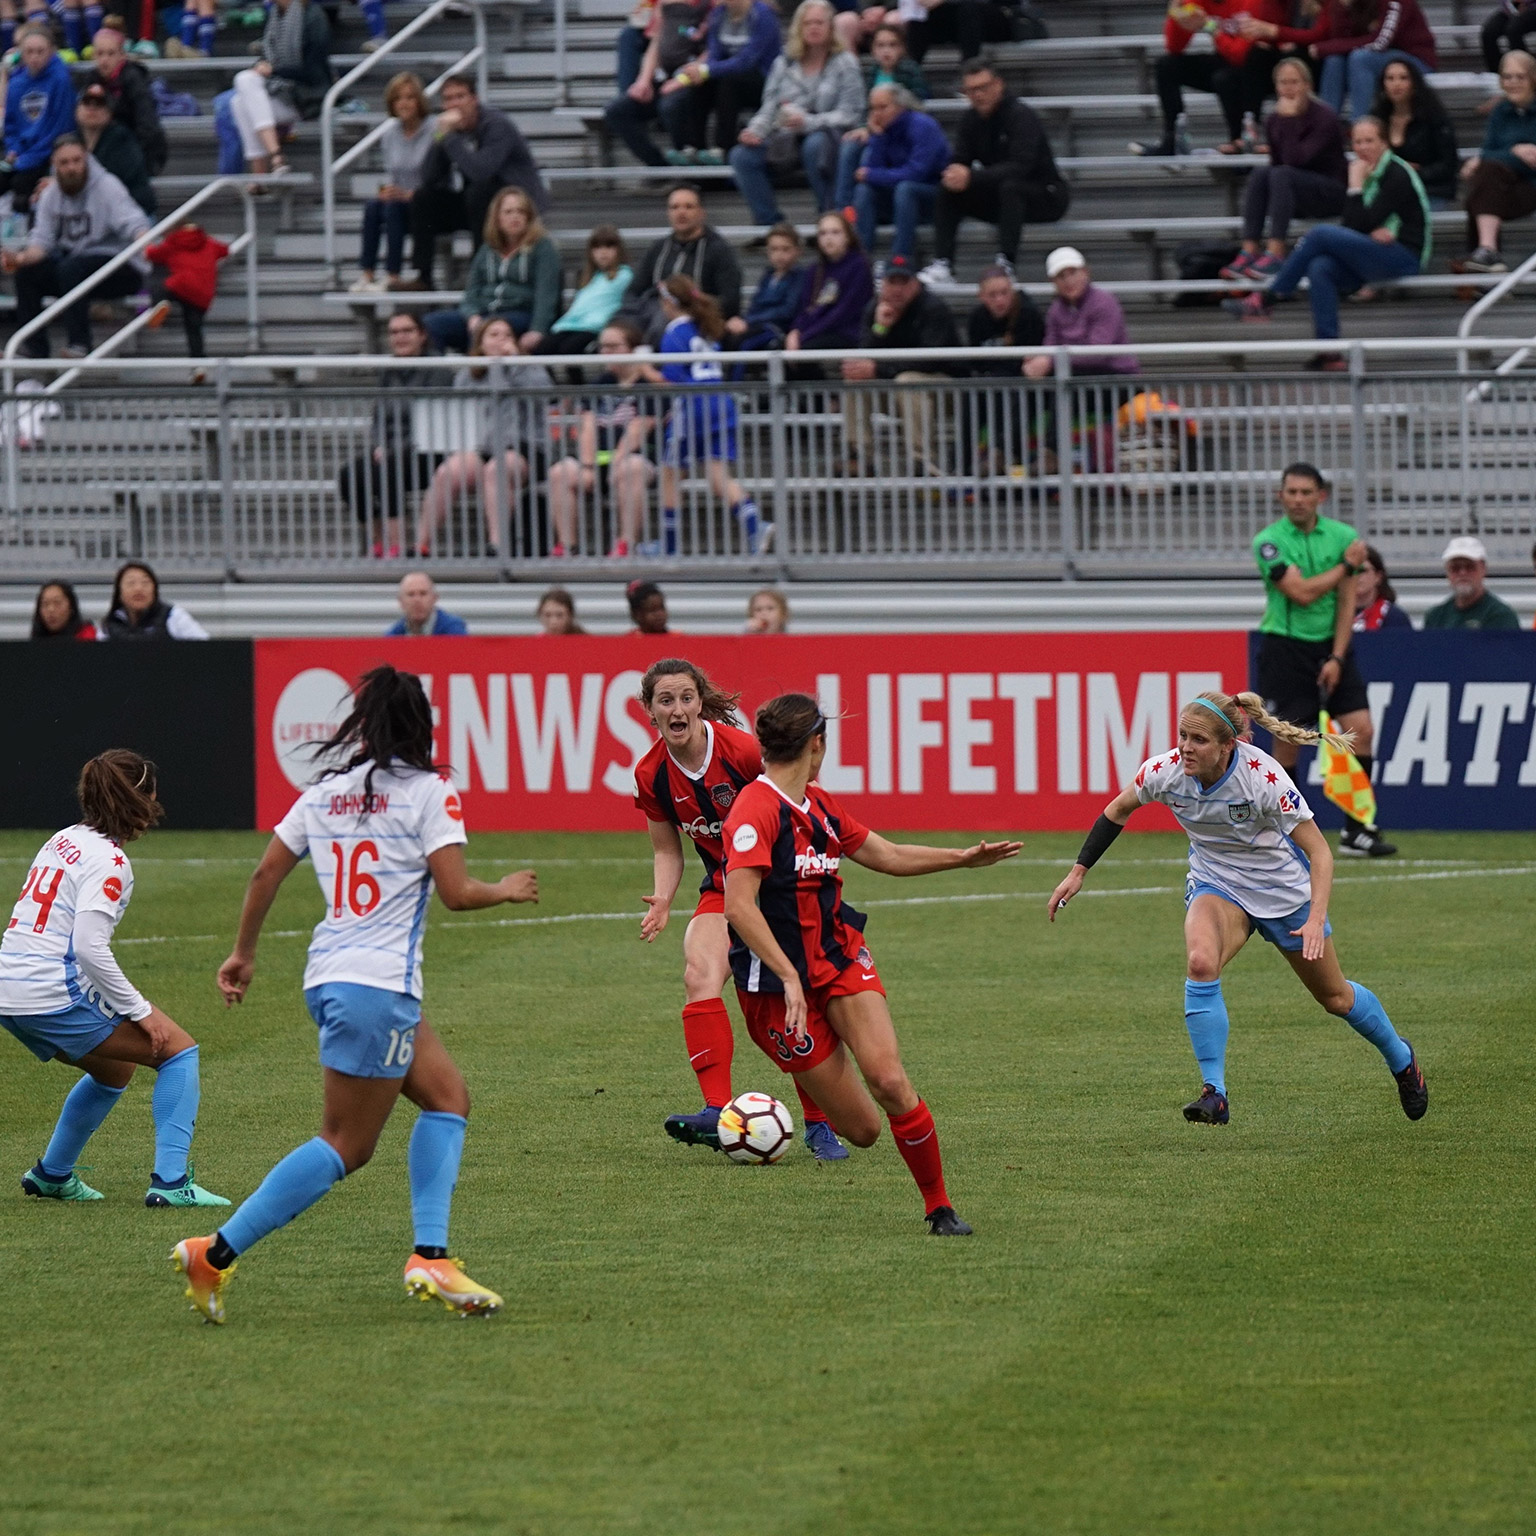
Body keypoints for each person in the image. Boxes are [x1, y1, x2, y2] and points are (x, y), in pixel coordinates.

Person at [180, 666, 540, 1324]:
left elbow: (265, 873)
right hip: (377, 987)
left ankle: (431, 1255)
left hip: (331, 976)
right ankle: (215, 1252)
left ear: (364, 725)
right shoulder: (430, 791)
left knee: (448, 1098)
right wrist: (506, 889)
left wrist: (244, 954)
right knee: (346, 1144)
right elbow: (456, 893)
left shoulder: (325, 792)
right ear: (422, 725)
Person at [1046, 690, 1428, 1127]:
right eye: (1182, 736)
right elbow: (1117, 810)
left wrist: (1316, 918)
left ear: (1228, 745)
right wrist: (1079, 871)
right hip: (1218, 885)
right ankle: (1215, 1093)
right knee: (1200, 962)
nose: (1186, 748)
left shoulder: (1263, 777)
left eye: (1199, 740)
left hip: (1283, 893)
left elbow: (1320, 852)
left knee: (1335, 998)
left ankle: (1401, 1059)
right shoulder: (1165, 771)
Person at [723, 691, 1021, 1232]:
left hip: (839, 958)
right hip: (773, 990)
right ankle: (815, 1077)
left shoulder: (820, 804)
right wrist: (788, 976)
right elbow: (738, 905)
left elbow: (884, 854)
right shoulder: (755, 808)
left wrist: (962, 858)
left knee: (889, 1080)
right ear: (817, 744)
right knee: (863, 1130)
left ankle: (939, 1208)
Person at [0, 750, 229, 1208]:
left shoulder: (64, 838)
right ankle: (171, 1183)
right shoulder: (110, 860)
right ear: (140, 799)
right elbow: (88, 946)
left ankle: (52, 1175)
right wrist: (142, 1013)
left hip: (10, 988)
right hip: (50, 990)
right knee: (179, 1052)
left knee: (114, 1070)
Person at [633, 661, 845, 1158]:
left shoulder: (742, 751)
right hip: (724, 888)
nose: (677, 709)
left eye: (686, 698)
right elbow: (666, 849)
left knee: (788, 999)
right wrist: (663, 899)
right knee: (699, 974)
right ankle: (715, 1110)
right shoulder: (650, 774)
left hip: (782, 886)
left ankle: (818, 1123)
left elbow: (797, 797)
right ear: (650, 710)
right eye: (666, 700)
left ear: (700, 704)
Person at [1247, 463, 1395, 856]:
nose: (1298, 499)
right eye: (1291, 492)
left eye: (1306, 492)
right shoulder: (1270, 541)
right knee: (1288, 741)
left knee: (1361, 730)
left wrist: (1337, 657)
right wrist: (1345, 566)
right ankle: (1288, 832)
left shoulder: (1342, 536)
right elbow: (1300, 593)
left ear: (1321, 496)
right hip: (1285, 646)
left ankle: (1357, 830)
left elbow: (1347, 602)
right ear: (1280, 495)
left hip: (1331, 646)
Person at [1232, 116, 1429, 367]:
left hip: (1404, 255)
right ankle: (1329, 352)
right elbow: (1355, 224)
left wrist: (1355, 186)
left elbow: (1357, 225)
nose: (1363, 148)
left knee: (1320, 234)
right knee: (1320, 267)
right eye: (1357, 142)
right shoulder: (1367, 170)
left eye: (1369, 141)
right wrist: (1367, 219)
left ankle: (1269, 298)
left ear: (1384, 143)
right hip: (1376, 250)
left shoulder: (1395, 173)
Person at [650, 274, 771, 557]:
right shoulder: (703, 328)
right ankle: (755, 525)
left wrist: (643, 368)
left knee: (669, 473)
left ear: (669, 303)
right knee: (717, 475)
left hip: (693, 406)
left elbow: (672, 380)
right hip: (721, 402)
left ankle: (669, 546)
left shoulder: (674, 332)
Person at [919, 59, 1068, 284]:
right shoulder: (970, 119)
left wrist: (972, 177)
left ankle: (1006, 263)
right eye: (971, 90)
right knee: (948, 188)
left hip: (1045, 195)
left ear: (998, 84)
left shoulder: (1021, 115)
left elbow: (1022, 166)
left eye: (983, 87)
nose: (978, 95)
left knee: (1011, 187)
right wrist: (955, 173)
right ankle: (943, 263)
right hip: (1000, 196)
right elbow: (961, 159)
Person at [415, 317, 554, 558]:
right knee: (448, 472)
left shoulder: (528, 367)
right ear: (481, 343)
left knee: (497, 469)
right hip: (483, 445)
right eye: (494, 335)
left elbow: (546, 394)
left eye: (507, 335)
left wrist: (514, 364)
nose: (502, 340)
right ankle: (421, 545)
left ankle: (498, 545)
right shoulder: (468, 374)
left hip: (526, 447)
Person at [730, 0, 865, 226]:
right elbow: (769, 107)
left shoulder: (846, 63)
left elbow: (851, 113)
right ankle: (771, 225)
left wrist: (808, 122)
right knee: (741, 156)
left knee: (814, 145)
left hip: (830, 135)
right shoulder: (783, 62)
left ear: (830, 28)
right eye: (807, 23)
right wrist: (754, 131)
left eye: (819, 23)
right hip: (785, 136)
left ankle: (828, 218)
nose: (813, 28)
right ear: (798, 28)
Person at [409, 74, 549, 290]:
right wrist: (439, 137)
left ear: (474, 99)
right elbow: (428, 177)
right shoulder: (450, 132)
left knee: (480, 191)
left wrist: (449, 139)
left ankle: (480, 275)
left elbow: (481, 172)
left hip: (517, 204)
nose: (454, 104)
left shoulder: (496, 125)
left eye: (460, 97)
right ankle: (423, 278)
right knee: (423, 198)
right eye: (448, 99)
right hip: (476, 207)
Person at [1222, 58, 1347, 282]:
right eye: (1283, 82)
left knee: (1282, 174)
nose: (1288, 88)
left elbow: (1296, 159)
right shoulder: (1273, 119)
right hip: (1294, 192)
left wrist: (1289, 121)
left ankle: (1276, 252)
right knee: (1261, 173)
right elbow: (1277, 162)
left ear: (1308, 85)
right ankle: (1249, 249)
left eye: (1294, 82)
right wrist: (1284, 120)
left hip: (1330, 191)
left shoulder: (1324, 117)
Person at [545, 318, 662, 558]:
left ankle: (626, 545)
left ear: (633, 349)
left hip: (638, 460)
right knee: (560, 472)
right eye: (603, 346)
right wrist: (588, 466)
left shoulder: (649, 385)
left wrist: (617, 462)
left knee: (630, 469)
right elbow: (587, 426)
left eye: (613, 346)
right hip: (598, 461)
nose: (605, 352)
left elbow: (639, 429)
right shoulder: (599, 384)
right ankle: (567, 547)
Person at [840, 252, 964, 475]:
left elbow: (930, 360)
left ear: (916, 283)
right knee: (855, 381)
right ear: (883, 284)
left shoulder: (933, 308)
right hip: (896, 386)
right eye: (892, 282)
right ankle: (859, 456)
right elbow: (865, 356)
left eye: (904, 282)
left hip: (946, 389)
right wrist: (880, 328)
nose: (897, 289)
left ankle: (922, 460)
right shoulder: (874, 308)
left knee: (908, 381)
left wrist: (878, 369)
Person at [337, 311, 437, 558]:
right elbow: (379, 417)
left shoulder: (437, 370)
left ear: (422, 335)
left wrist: (395, 449)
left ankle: (397, 544)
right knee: (350, 474)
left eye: (407, 331)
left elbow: (432, 420)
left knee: (389, 467)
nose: (400, 337)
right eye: (394, 332)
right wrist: (379, 444)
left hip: (426, 450)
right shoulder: (388, 371)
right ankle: (378, 541)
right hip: (390, 450)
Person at [1131, 0, 1285, 159]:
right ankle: (1172, 140)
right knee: (1166, 66)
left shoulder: (1252, 2)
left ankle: (1240, 141)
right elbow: (1174, 47)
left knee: (1224, 78)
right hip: (1227, 58)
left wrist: (1210, 26)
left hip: (1261, 67)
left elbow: (1242, 56)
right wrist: (1176, 15)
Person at [423, 185, 561, 356]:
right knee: (431, 324)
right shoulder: (487, 249)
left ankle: (476, 371)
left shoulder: (543, 248)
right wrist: (472, 315)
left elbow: (546, 295)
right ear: (497, 218)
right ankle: (434, 372)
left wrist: (538, 329)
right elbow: (471, 292)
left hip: (521, 313)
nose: (515, 216)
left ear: (529, 217)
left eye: (521, 211)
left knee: (487, 329)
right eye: (508, 212)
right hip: (484, 312)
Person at [657, 0, 781, 166]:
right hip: (732, 75)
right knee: (702, 82)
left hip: (764, 79)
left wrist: (706, 70)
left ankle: (722, 147)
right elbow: (714, 53)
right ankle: (694, 146)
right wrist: (698, 72)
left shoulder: (763, 15)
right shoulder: (718, 14)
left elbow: (747, 60)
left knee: (728, 81)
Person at [624, 184, 744, 345]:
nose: (681, 212)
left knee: (663, 325)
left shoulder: (719, 250)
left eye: (688, 207)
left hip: (698, 322)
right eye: (675, 207)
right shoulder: (658, 248)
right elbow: (633, 293)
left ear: (702, 213)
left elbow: (730, 301)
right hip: (652, 314)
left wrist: (690, 307)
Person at [839, 83, 948, 259]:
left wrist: (872, 175)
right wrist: (878, 138)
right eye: (873, 108)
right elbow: (872, 172)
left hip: (934, 197)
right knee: (863, 190)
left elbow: (917, 173)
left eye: (882, 107)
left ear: (901, 106)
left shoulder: (923, 125)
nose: (876, 114)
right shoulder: (883, 130)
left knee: (906, 188)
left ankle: (901, 258)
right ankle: (860, 259)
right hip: (899, 198)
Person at [601, 0, 712, 168]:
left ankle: (691, 164)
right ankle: (659, 166)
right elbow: (657, 41)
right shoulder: (664, 5)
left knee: (670, 106)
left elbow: (715, 49)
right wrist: (644, 80)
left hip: (696, 78)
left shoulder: (713, 5)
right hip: (665, 76)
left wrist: (681, 80)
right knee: (616, 111)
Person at [227, 0, 333, 175]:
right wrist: (263, 66)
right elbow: (268, 57)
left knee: (244, 80)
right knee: (238, 101)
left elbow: (313, 71)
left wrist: (274, 70)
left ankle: (275, 157)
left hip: (309, 96)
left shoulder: (314, 16)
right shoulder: (276, 16)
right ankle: (263, 173)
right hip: (284, 92)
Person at [350, 72, 433, 295]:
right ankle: (367, 274)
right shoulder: (389, 135)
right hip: (401, 200)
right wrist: (389, 192)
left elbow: (441, 176)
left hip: (427, 203)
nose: (403, 103)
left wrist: (409, 195)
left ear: (419, 100)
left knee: (393, 208)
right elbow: (394, 175)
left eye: (409, 97)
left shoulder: (435, 130)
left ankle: (392, 275)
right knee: (374, 206)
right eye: (398, 98)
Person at [1456, 50, 1536, 274]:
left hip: (1531, 187)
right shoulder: (1500, 111)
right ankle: (1488, 255)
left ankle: (1487, 255)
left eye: (1520, 77)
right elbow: (1487, 153)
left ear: (1533, 79)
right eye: (1507, 77)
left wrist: (1496, 157)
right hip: (1502, 187)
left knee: (1482, 184)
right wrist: (1515, 151)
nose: (1513, 83)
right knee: (1486, 177)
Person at [1022, 247, 1138, 378]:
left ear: (1085, 272)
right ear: (1053, 282)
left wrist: (1050, 360)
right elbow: (1051, 344)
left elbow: (1097, 353)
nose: (1068, 281)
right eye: (1061, 276)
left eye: (1073, 273)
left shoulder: (1104, 302)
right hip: (1077, 375)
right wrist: (1038, 359)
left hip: (1117, 376)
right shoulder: (1055, 309)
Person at [1314, 0, 1437, 119]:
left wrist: (1326, 48)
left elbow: (1380, 42)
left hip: (1416, 59)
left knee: (1360, 58)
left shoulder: (1397, 2)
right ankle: (1326, 124)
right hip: (1380, 58)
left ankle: (1360, 123)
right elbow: (1341, 39)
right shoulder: (1359, 3)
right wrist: (1342, 7)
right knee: (1335, 60)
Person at [785, 210, 873, 365]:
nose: (828, 238)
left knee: (803, 351)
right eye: (823, 233)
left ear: (847, 237)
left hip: (848, 332)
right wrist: (795, 331)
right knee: (779, 348)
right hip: (819, 331)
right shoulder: (814, 270)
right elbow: (806, 308)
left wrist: (805, 336)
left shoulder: (859, 266)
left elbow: (843, 312)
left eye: (835, 232)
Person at [0, 28, 75, 207]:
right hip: (22, 152)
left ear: (51, 51)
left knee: (21, 186)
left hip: (47, 153)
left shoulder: (61, 80)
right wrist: (14, 150)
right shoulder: (16, 84)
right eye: (29, 51)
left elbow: (60, 128)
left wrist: (27, 159)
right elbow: (11, 126)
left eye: (40, 51)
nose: (35, 57)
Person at [1369, 57, 1458, 205]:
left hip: (1430, 189)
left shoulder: (1434, 117)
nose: (1396, 84)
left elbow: (1448, 165)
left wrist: (1412, 173)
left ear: (1414, 83)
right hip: (1388, 192)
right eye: (1390, 78)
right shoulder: (1377, 118)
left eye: (1403, 78)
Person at [539, 225, 634, 362]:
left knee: (569, 349)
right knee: (543, 348)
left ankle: (576, 376)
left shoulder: (625, 275)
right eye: (597, 247)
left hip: (596, 327)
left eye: (609, 246)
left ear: (619, 250)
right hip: (571, 325)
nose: (603, 252)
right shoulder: (590, 279)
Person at [83, 25, 167, 178]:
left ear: (122, 55)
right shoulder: (91, 80)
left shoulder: (134, 79)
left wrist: (132, 158)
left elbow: (147, 126)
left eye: (111, 54)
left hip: (138, 152)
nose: (104, 60)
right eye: (100, 53)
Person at [146, 222, 229, 366]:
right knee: (194, 329)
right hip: (203, 293)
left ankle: (160, 304)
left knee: (160, 288)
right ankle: (198, 365)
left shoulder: (173, 242)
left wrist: (147, 246)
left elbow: (153, 255)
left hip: (182, 284)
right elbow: (225, 250)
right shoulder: (208, 242)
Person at [73, 83, 155, 217]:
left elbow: (109, 182)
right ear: (77, 110)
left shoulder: (122, 140)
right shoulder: (71, 142)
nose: (92, 108)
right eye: (86, 101)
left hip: (133, 213)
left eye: (99, 103)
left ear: (109, 112)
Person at [728, 222, 805, 350]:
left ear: (797, 251)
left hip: (777, 330)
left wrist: (749, 321)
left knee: (744, 343)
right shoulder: (767, 276)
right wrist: (741, 320)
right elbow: (755, 306)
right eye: (774, 249)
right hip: (757, 326)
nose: (779, 255)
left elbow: (787, 310)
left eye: (785, 249)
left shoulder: (800, 277)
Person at [1423, 535, 1521, 629]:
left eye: (1470, 567)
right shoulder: (1435, 617)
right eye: (1455, 568)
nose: (1462, 573)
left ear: (1483, 569)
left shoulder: (1501, 617)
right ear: (1447, 572)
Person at [101, 561, 208, 639]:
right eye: (131, 583)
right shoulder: (110, 625)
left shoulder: (173, 616)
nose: (138, 589)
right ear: (119, 593)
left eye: (145, 583)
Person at [902, 0, 1013, 66]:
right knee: (917, 20)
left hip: (992, 17)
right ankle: (910, 74)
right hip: (952, 21)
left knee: (968, 10)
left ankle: (970, 71)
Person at [858, 20, 929, 101]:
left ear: (902, 48)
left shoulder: (910, 70)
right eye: (880, 45)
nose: (886, 51)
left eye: (892, 45)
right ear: (872, 49)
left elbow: (920, 98)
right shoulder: (871, 74)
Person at [386, 571, 469, 636]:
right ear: (400, 601)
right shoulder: (394, 635)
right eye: (411, 594)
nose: (417, 600)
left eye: (423, 593)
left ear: (434, 598)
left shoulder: (454, 631)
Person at [1352, 545, 1413, 629]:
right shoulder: (1335, 614)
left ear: (1378, 577)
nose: (1356, 576)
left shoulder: (1395, 618)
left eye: (1362, 571)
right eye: (1351, 571)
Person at [30, 580, 98, 640]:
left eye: (57, 603)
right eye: (45, 604)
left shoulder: (87, 636)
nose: (51, 609)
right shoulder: (35, 642)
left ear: (71, 607)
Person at [1483, 0, 1536, 71]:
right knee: (1489, 32)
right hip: (1509, 8)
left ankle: (1523, 68)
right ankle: (1496, 71)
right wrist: (1511, 6)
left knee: (1513, 30)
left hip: (1532, 8)